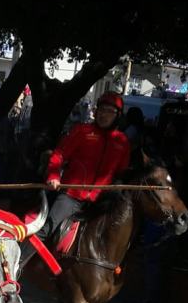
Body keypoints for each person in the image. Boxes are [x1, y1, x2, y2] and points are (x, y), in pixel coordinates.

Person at [19, 91, 131, 267]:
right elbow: (59, 155)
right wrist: (54, 176)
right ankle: (16, 265)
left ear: (118, 116)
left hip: (99, 202)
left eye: (109, 111)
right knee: (46, 227)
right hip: (71, 197)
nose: (103, 115)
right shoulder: (82, 131)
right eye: (101, 110)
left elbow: (122, 173)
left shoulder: (122, 142)